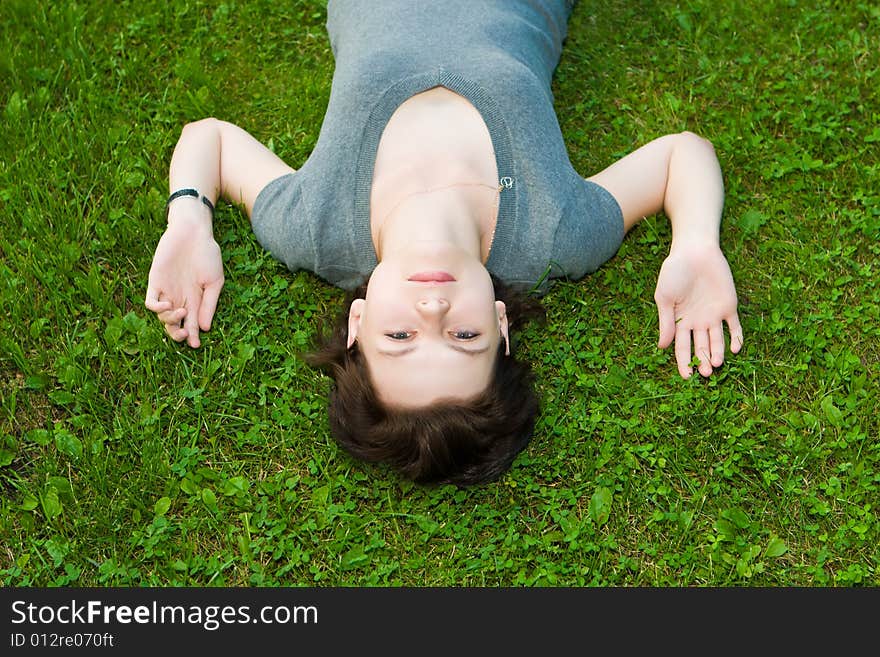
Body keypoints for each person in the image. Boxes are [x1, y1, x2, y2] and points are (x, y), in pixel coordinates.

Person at [145, 0, 743, 486]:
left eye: (400, 337)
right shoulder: (555, 231)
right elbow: (680, 155)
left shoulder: (314, 225)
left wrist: (189, 223)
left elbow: (212, 141)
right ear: (502, 324)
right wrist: (694, 245)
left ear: (358, 325)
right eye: (464, 336)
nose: (433, 310)